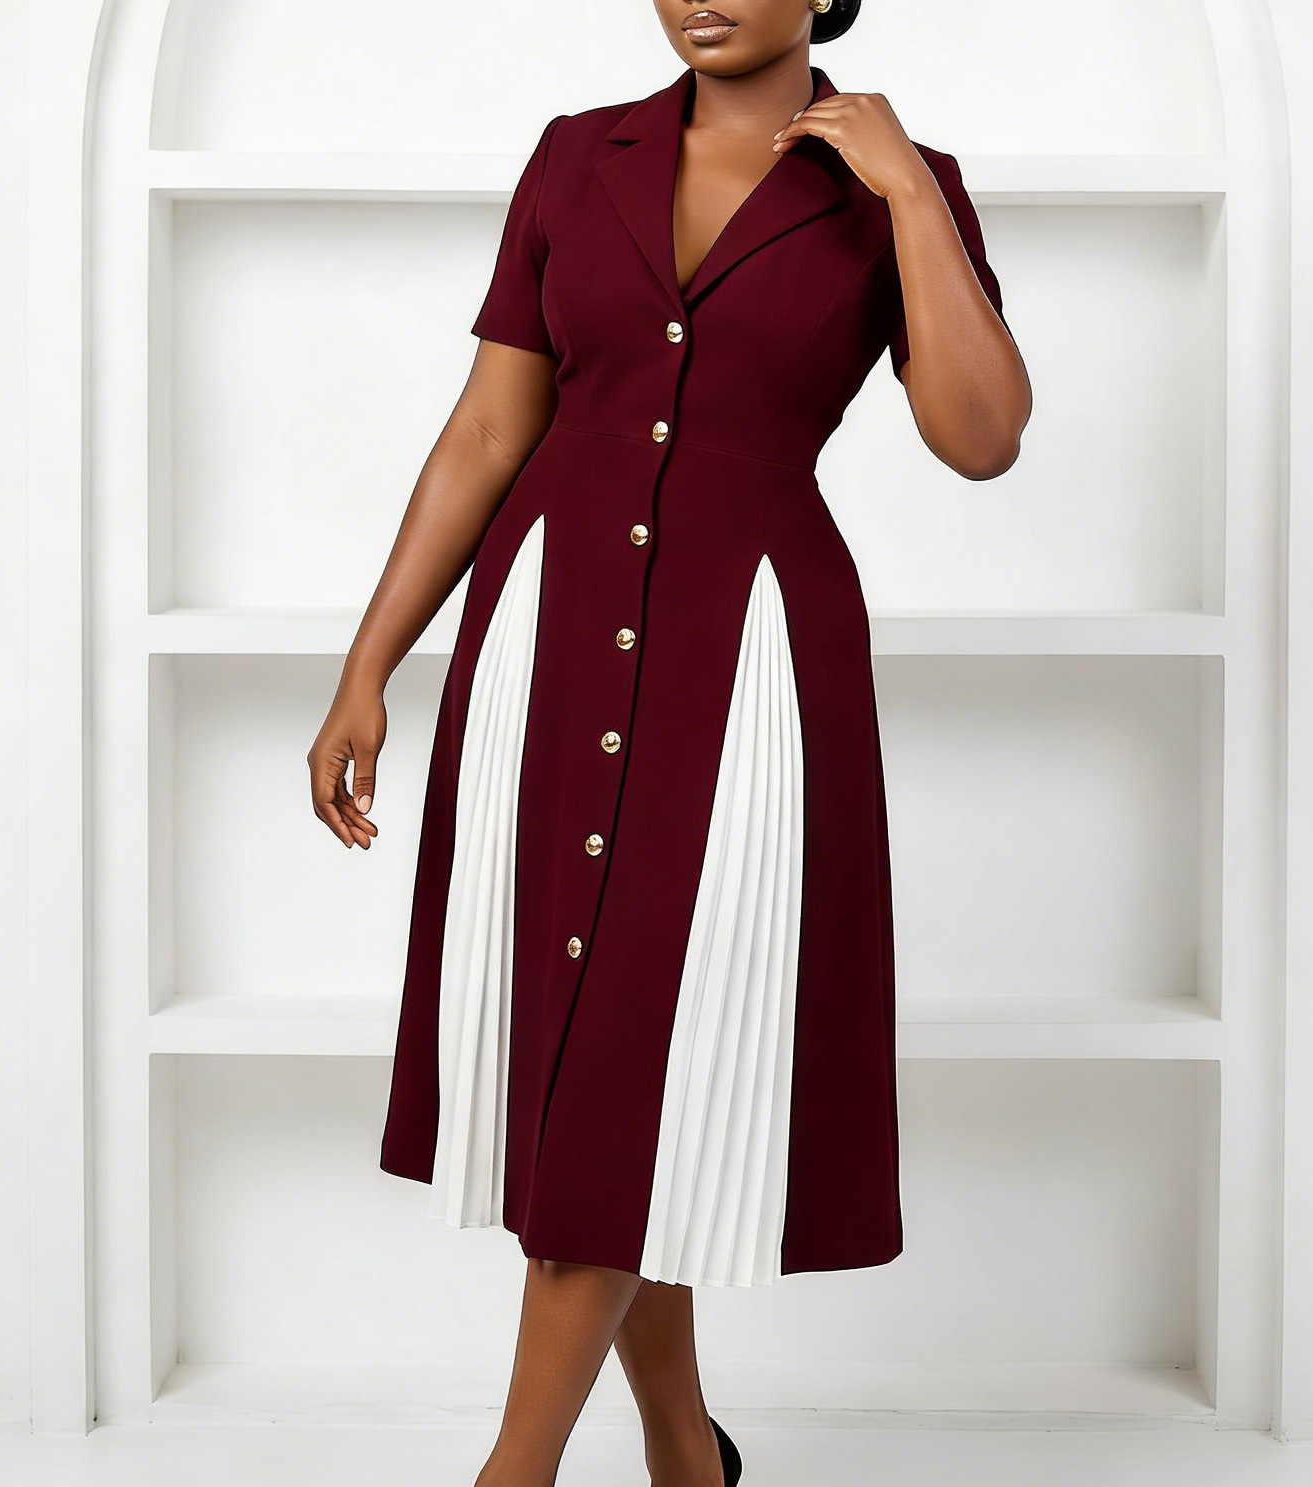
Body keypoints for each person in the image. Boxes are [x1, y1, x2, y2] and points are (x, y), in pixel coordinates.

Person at [307, 1, 1031, 1482]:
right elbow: (488, 431)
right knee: (591, 1068)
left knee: (634, 1053)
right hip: (549, 635)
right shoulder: (580, 159)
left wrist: (905, 191)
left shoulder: (904, 182)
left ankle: (513, 1475)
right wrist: (369, 664)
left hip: (745, 655)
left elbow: (981, 436)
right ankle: (687, 1456)